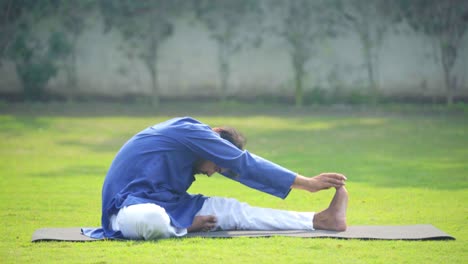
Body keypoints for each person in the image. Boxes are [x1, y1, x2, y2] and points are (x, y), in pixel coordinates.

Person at [83, 117, 348, 240]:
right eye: (216, 167)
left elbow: (240, 170)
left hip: (172, 205)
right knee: (151, 218)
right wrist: (308, 183)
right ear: (214, 136)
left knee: (234, 211)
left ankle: (319, 220)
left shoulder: (194, 147)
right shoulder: (191, 131)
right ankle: (179, 227)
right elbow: (244, 163)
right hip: (128, 209)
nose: (211, 173)